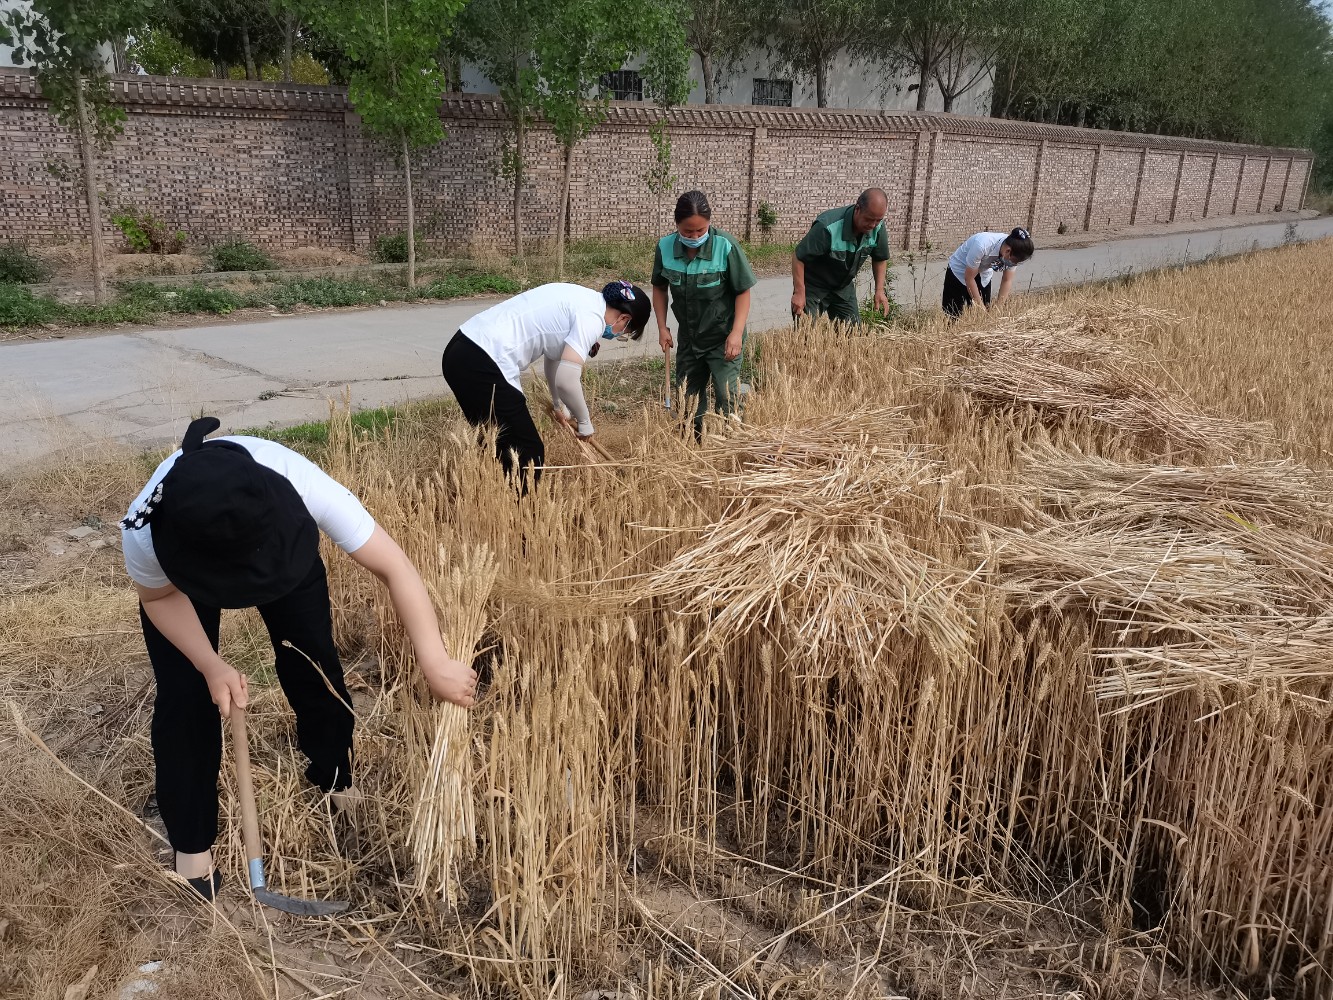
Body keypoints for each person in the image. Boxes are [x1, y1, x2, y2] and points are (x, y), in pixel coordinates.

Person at [120, 416, 477, 900]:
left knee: (312, 658)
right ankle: (192, 842)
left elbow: (395, 566)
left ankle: (334, 774)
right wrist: (210, 663)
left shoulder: (299, 483)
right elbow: (159, 599)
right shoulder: (148, 528)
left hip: (276, 547)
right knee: (185, 693)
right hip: (191, 567)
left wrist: (434, 661)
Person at [441, 281, 651, 487]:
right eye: (625, 332)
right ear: (624, 318)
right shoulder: (592, 318)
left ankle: (491, 505)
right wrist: (585, 422)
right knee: (528, 453)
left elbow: (555, 358)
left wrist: (559, 405)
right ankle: (522, 516)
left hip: (461, 350)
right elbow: (567, 380)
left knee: (498, 444)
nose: (617, 335)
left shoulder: (581, 298)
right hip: (483, 361)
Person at [653, 191, 757, 440]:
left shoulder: (725, 245)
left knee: (726, 396)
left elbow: (743, 291)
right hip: (689, 337)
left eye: (701, 230)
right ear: (677, 225)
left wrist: (736, 333)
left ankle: (731, 445)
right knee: (688, 398)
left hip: (723, 337)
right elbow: (659, 287)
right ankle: (693, 444)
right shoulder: (665, 247)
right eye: (688, 232)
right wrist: (662, 327)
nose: (695, 236)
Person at [791, 188, 891, 325]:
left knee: (852, 335)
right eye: (869, 219)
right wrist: (799, 292)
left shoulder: (877, 228)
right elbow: (799, 257)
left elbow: (880, 258)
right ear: (857, 209)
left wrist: (879, 290)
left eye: (878, 220)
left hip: (842, 286)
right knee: (805, 336)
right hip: (813, 286)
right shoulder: (827, 227)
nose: (873, 225)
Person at [942, 227, 1035, 318]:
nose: (1014, 263)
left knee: (982, 314)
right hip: (959, 271)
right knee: (952, 314)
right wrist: (980, 307)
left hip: (983, 273)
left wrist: (999, 307)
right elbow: (969, 278)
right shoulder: (982, 244)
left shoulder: (1016, 251)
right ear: (1008, 251)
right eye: (1014, 260)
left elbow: (1007, 280)